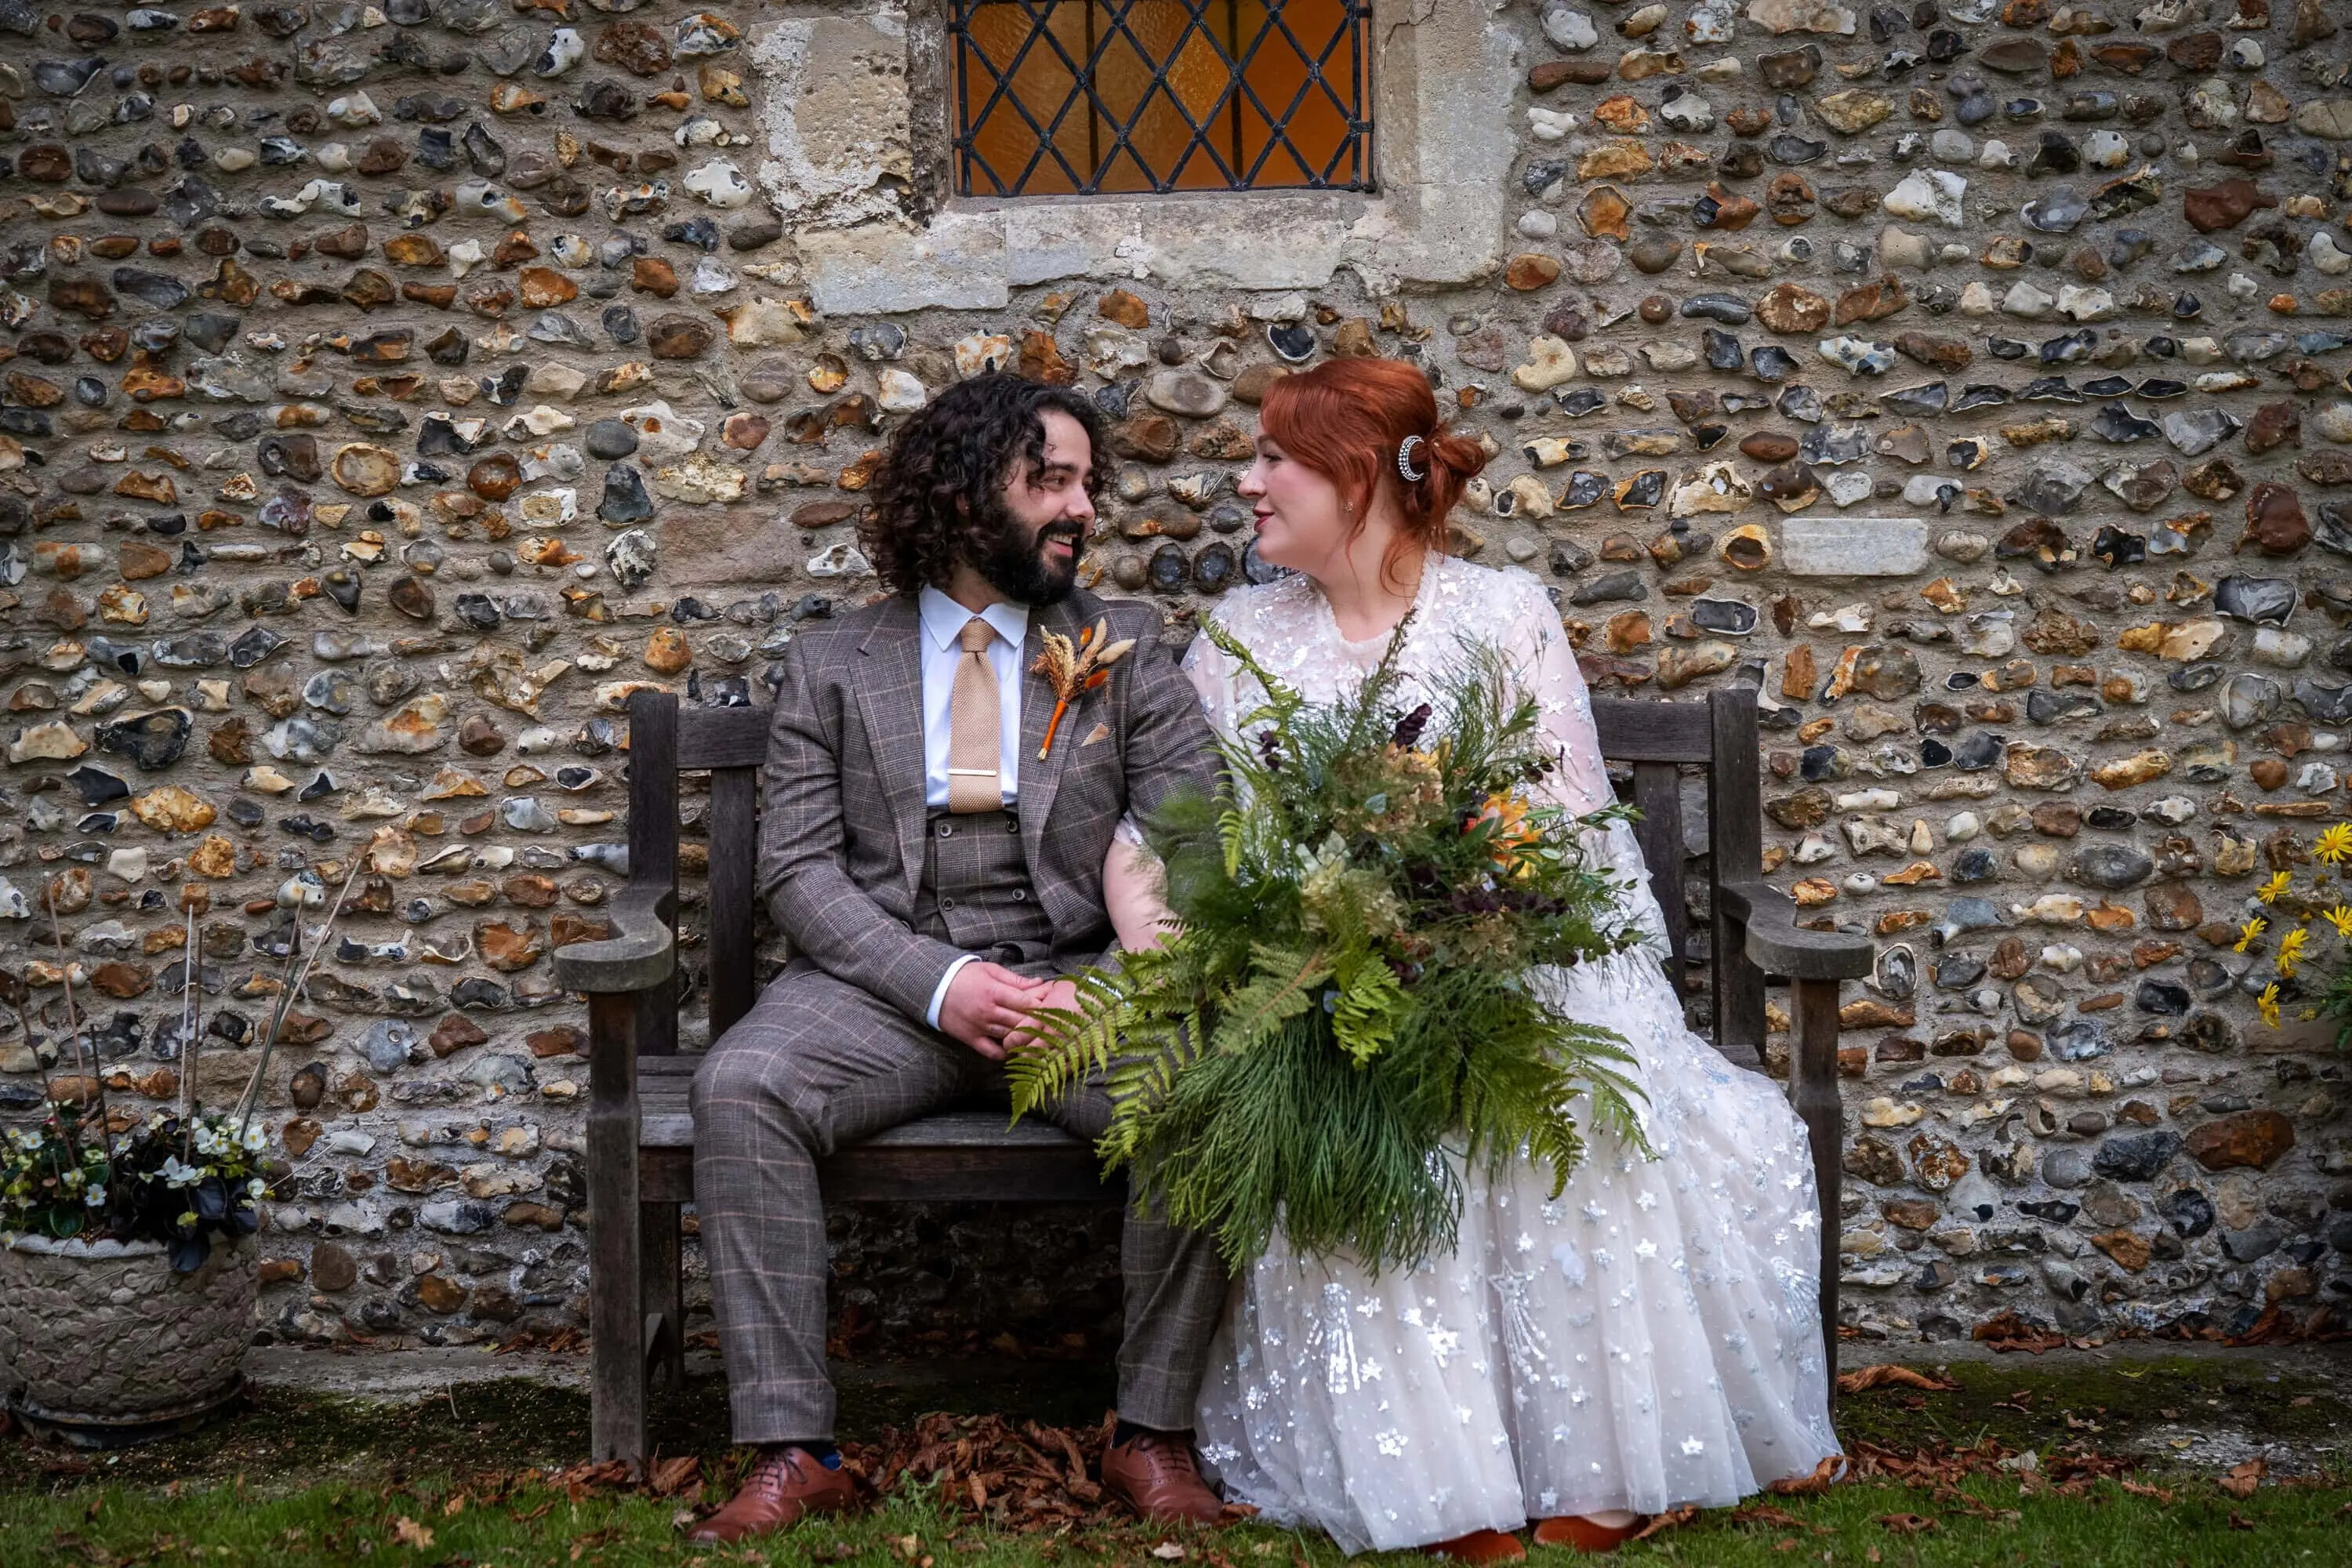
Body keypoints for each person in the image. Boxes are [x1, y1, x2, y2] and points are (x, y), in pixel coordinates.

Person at [1102, 358, 1841, 1560]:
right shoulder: (1237, 637)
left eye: (1273, 461)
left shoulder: (1500, 617)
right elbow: (1154, 840)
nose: (1246, 483)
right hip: (1314, 980)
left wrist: (1445, 935)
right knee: (1340, 1079)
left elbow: (1576, 839)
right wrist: (1195, 963)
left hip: (1502, 953)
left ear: (1354, 479)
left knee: (1531, 1068)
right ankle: (1427, 1466)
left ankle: (1599, 1461)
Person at [689, 372, 1230, 1544]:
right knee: (740, 1088)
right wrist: (939, 983)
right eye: (1053, 481)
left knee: (1204, 1087)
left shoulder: (1124, 645)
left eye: (1089, 483)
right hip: (885, 982)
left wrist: (1125, 982)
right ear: (969, 491)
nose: (1082, 507)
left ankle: (1154, 1432)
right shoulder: (834, 662)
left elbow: (1194, 829)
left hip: (1078, 978)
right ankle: (796, 1449)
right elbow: (797, 870)